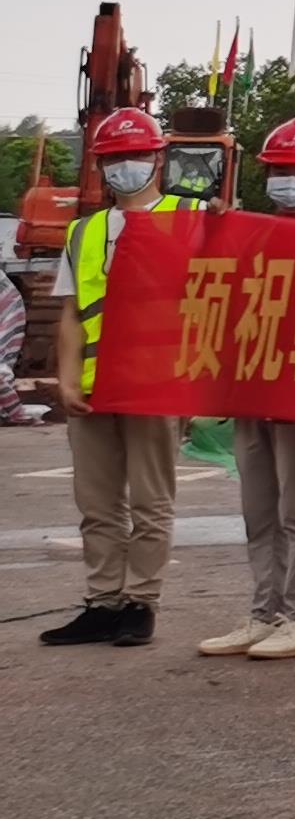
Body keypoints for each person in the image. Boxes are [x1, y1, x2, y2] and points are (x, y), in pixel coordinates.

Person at [39, 106, 193, 649]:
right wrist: (66, 379)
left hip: (156, 383)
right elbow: (70, 314)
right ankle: (103, 602)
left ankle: (141, 602)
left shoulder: (191, 218)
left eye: (135, 155)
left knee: (151, 501)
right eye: (114, 158)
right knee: (98, 503)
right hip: (94, 386)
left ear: (158, 158)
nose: (125, 165)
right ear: (101, 166)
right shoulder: (84, 231)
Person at [200, 116, 295, 662]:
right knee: (259, 510)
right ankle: (266, 612)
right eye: (281, 170)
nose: (291, 181)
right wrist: (215, 228)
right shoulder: (249, 231)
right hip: (251, 392)